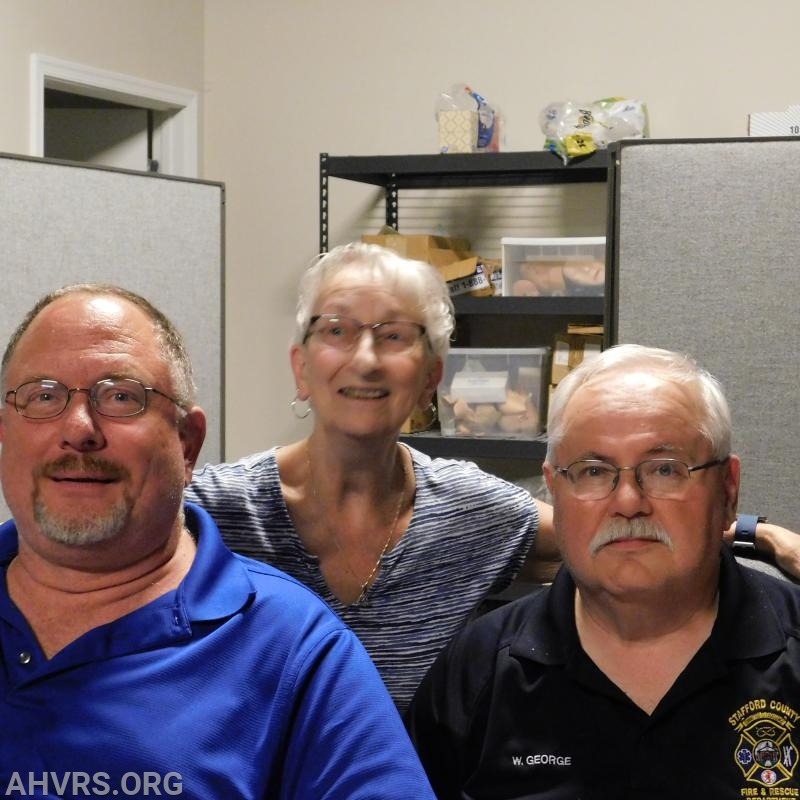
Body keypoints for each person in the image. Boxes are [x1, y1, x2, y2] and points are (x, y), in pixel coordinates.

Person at [187, 242, 800, 714]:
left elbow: (625, 520)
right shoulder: (212, 510)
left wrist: (761, 534)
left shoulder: (470, 510)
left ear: (432, 375)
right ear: (302, 364)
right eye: (337, 330)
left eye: (396, 335)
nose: (366, 358)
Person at [0, 284, 436, 799]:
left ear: (187, 445)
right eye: (43, 397)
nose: (78, 429)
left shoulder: (293, 650)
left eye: (120, 397)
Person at [405, 344, 800, 798]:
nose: (628, 502)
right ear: (555, 490)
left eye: (665, 470)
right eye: (593, 471)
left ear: (727, 489)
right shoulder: (479, 671)